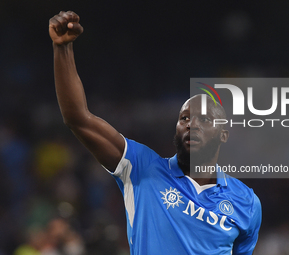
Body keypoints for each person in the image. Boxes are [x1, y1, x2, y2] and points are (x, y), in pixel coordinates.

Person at [49, 11, 261, 255]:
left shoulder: (247, 202)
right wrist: (62, 49)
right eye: (184, 118)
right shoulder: (142, 167)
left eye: (205, 119)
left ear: (223, 134)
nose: (192, 124)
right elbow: (78, 118)